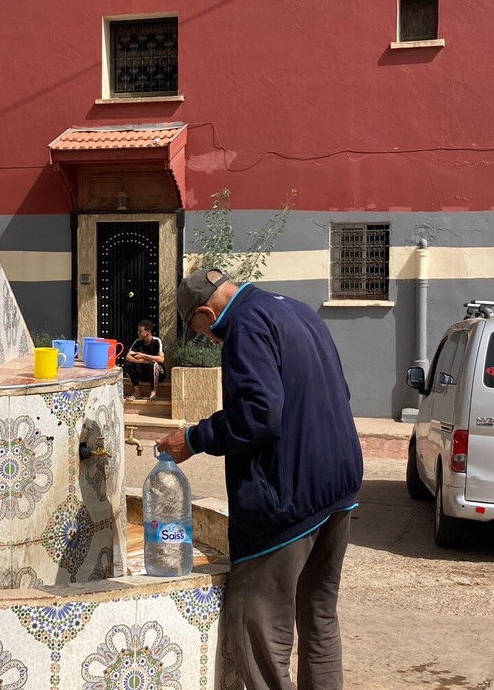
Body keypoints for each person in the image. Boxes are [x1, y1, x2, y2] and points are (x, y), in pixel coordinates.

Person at [157, 269, 363, 690]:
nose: (209, 341)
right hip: (338, 489)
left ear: (204, 312)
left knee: (257, 628)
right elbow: (337, 390)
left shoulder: (244, 327)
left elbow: (259, 416)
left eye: (201, 331)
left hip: (288, 501)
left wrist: (194, 438)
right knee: (320, 619)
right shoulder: (298, 311)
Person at [123, 319, 165, 400]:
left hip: (157, 374)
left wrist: (144, 355)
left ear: (148, 332)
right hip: (143, 373)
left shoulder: (156, 341)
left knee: (153, 364)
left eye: (140, 331)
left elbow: (161, 359)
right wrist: (143, 361)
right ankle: (137, 392)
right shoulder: (138, 342)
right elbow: (128, 357)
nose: (138, 332)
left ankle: (153, 393)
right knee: (128, 363)